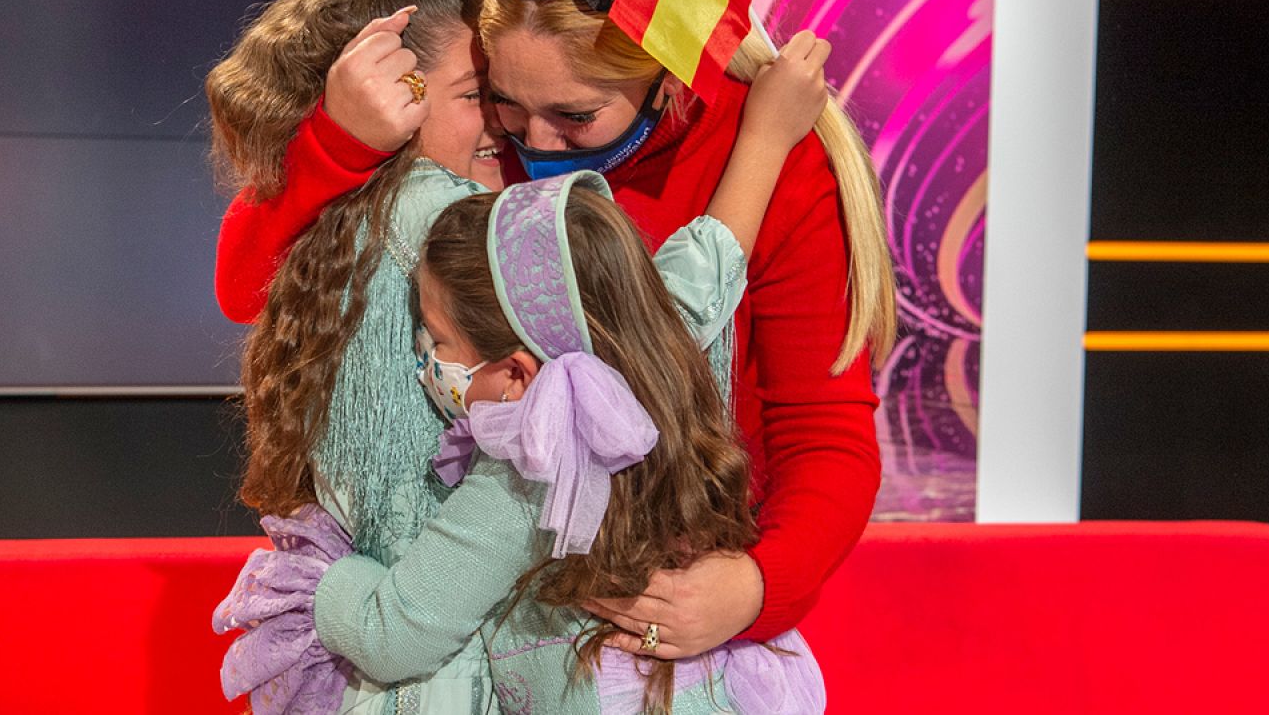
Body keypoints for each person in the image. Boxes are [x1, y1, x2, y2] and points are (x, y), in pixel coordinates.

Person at [212, 0, 896, 657]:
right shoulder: (478, 131)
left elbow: (823, 430)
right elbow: (249, 288)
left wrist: (754, 589)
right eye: (501, 101)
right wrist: (338, 142)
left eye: (575, 116)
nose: (530, 142)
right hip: (479, 599)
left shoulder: (774, 156)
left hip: (652, 606)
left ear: (667, 75)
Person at [220, 173, 828, 714]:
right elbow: (708, 266)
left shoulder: (526, 471)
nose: (425, 360)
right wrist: (766, 142)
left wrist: (322, 582)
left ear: (515, 375)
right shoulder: (654, 363)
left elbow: (395, 634)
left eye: (436, 339)